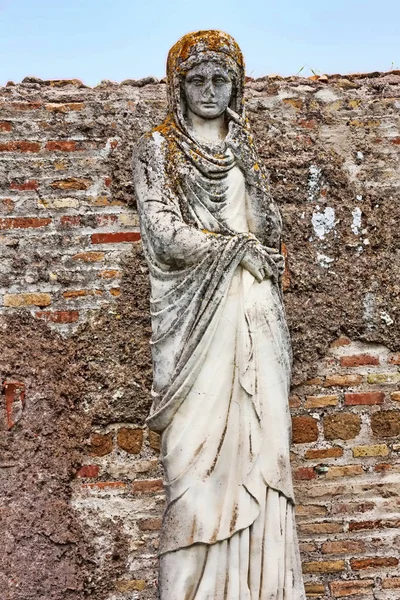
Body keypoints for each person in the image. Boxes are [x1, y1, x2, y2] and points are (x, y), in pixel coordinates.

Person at [133, 29, 306, 600]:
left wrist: (249, 169)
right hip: (194, 327)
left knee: (266, 448)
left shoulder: (244, 149)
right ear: (177, 86)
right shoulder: (158, 147)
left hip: (256, 314)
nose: (209, 90)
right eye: (197, 79)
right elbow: (162, 234)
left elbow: (273, 234)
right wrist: (235, 248)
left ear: (237, 85)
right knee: (193, 472)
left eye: (221, 79)